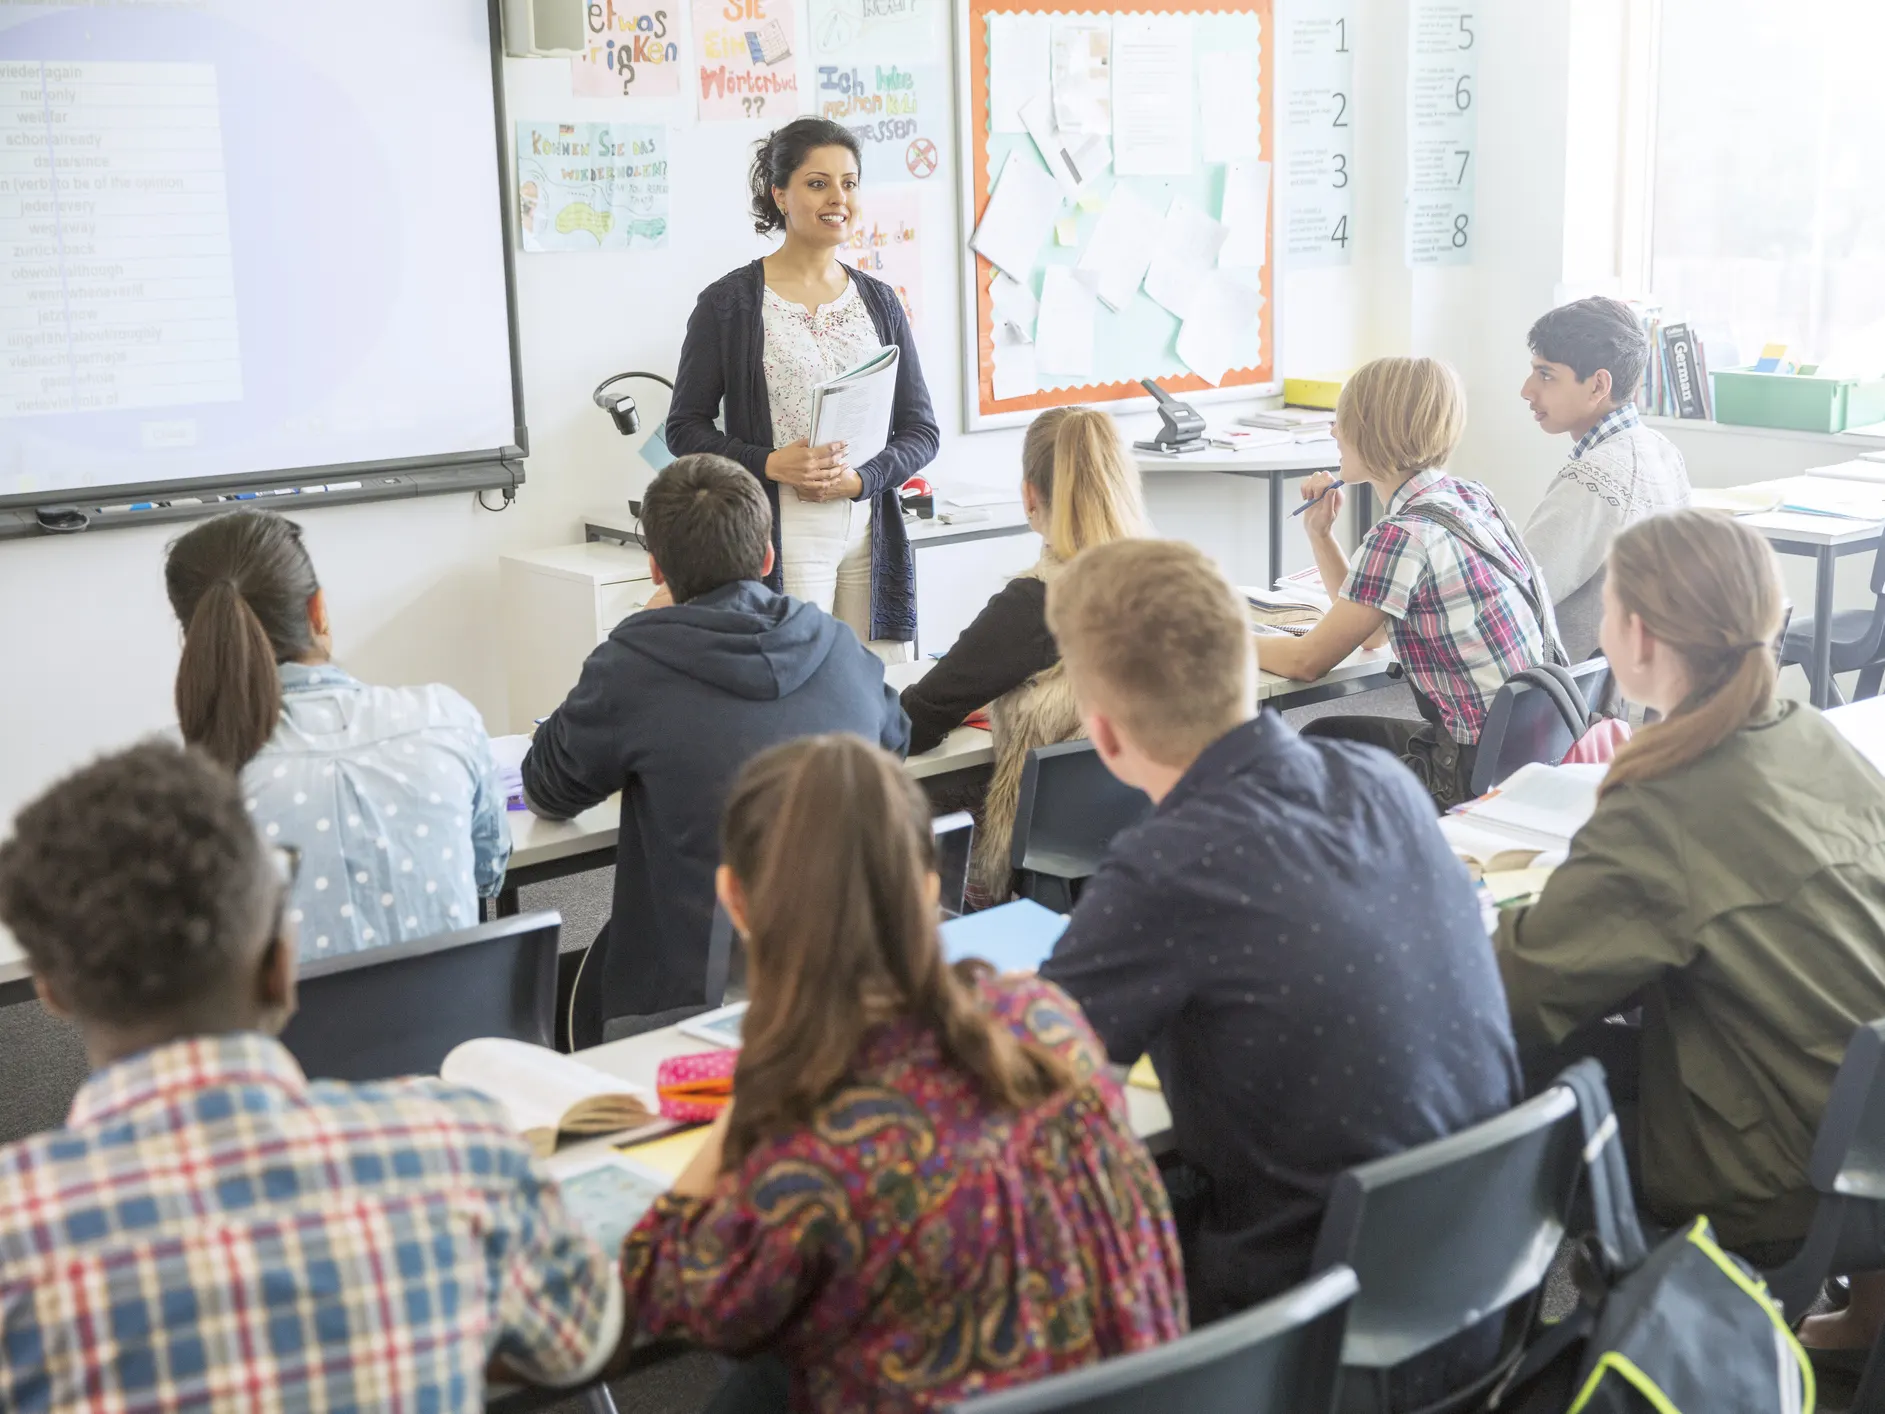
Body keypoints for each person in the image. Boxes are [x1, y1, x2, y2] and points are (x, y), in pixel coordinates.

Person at [0, 741, 621, 1409]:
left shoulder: (18, 1233)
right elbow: (581, 1341)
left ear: (54, 992)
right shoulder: (462, 1147)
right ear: (280, 964)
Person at [1036, 539, 1521, 1389]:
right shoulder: (1384, 783)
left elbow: (1021, 1081)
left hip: (1312, 1334)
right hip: (1484, 1285)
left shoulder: (1167, 866)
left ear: (1101, 731)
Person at [612, 734, 1185, 1413]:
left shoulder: (808, 1135)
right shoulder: (1047, 1020)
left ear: (734, 899)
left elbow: (659, 1292)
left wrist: (750, 1094)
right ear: (929, 887)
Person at [1494, 511, 1885, 1352]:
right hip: (1866, 1151)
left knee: (1520, 1085)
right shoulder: (1809, 735)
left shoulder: (1665, 802)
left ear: (1634, 635)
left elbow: (1517, 994)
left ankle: (1547, 1357)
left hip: (1775, 1184)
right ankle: (1866, 1319)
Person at [524, 454, 909, 1042]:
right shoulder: (834, 642)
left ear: (655, 568)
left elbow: (547, 789)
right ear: (768, 557)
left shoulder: (632, 664)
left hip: (685, 1010)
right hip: (848, 973)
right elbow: (894, 744)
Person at [165, 509, 509, 956]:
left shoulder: (178, 783)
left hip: (285, 1027)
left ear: (196, 641)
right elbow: (488, 874)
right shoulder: (446, 719)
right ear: (318, 611)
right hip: (463, 1023)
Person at [667, 116, 940, 656]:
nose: (838, 197)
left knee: (877, 693)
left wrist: (864, 479)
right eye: (818, 183)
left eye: (849, 182)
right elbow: (683, 430)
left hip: (870, 527)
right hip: (781, 528)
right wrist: (768, 462)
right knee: (797, 686)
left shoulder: (881, 301)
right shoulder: (729, 304)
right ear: (780, 196)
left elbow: (921, 431)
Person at [1259, 356, 1564, 806]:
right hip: (1531, 753)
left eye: (1341, 420)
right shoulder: (1470, 498)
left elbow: (1307, 661)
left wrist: (1220, 635)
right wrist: (1320, 535)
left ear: (1373, 429)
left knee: (1311, 752)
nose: (1333, 432)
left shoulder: (1404, 534)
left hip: (1466, 774)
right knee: (1327, 735)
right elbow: (1374, 633)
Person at [900, 406, 1149, 903]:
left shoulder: (1033, 606)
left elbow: (914, 722)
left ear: (1029, 496)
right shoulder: (1177, 589)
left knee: (910, 796)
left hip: (1045, 854)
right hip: (1155, 842)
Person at [1519, 296, 1691, 662]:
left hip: (1573, 701)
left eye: (1546, 374)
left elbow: (1517, 595)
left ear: (1598, 386)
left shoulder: (1594, 478)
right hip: (1638, 688)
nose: (1527, 390)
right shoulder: (1663, 452)